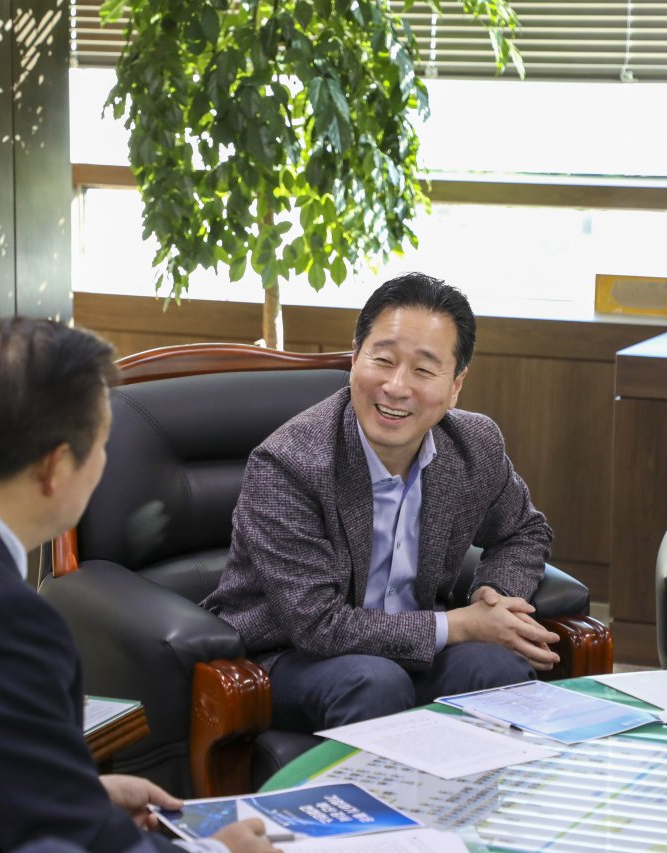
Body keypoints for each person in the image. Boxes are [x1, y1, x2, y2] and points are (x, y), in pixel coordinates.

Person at [203, 272, 559, 734]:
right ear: (355, 359)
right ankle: (371, 808)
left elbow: (523, 531)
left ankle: (469, 806)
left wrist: (492, 600)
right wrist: (461, 626)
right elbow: (317, 625)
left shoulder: (473, 445)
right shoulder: (290, 463)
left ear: (455, 386)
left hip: (415, 647)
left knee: (494, 669)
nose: (396, 386)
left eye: (424, 370)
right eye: (383, 360)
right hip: (291, 657)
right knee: (375, 681)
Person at [0, 317, 279, 853]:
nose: (106, 462)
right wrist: (215, 851)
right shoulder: (7, 622)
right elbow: (55, 842)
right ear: (54, 468)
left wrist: (77, 790)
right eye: (101, 445)